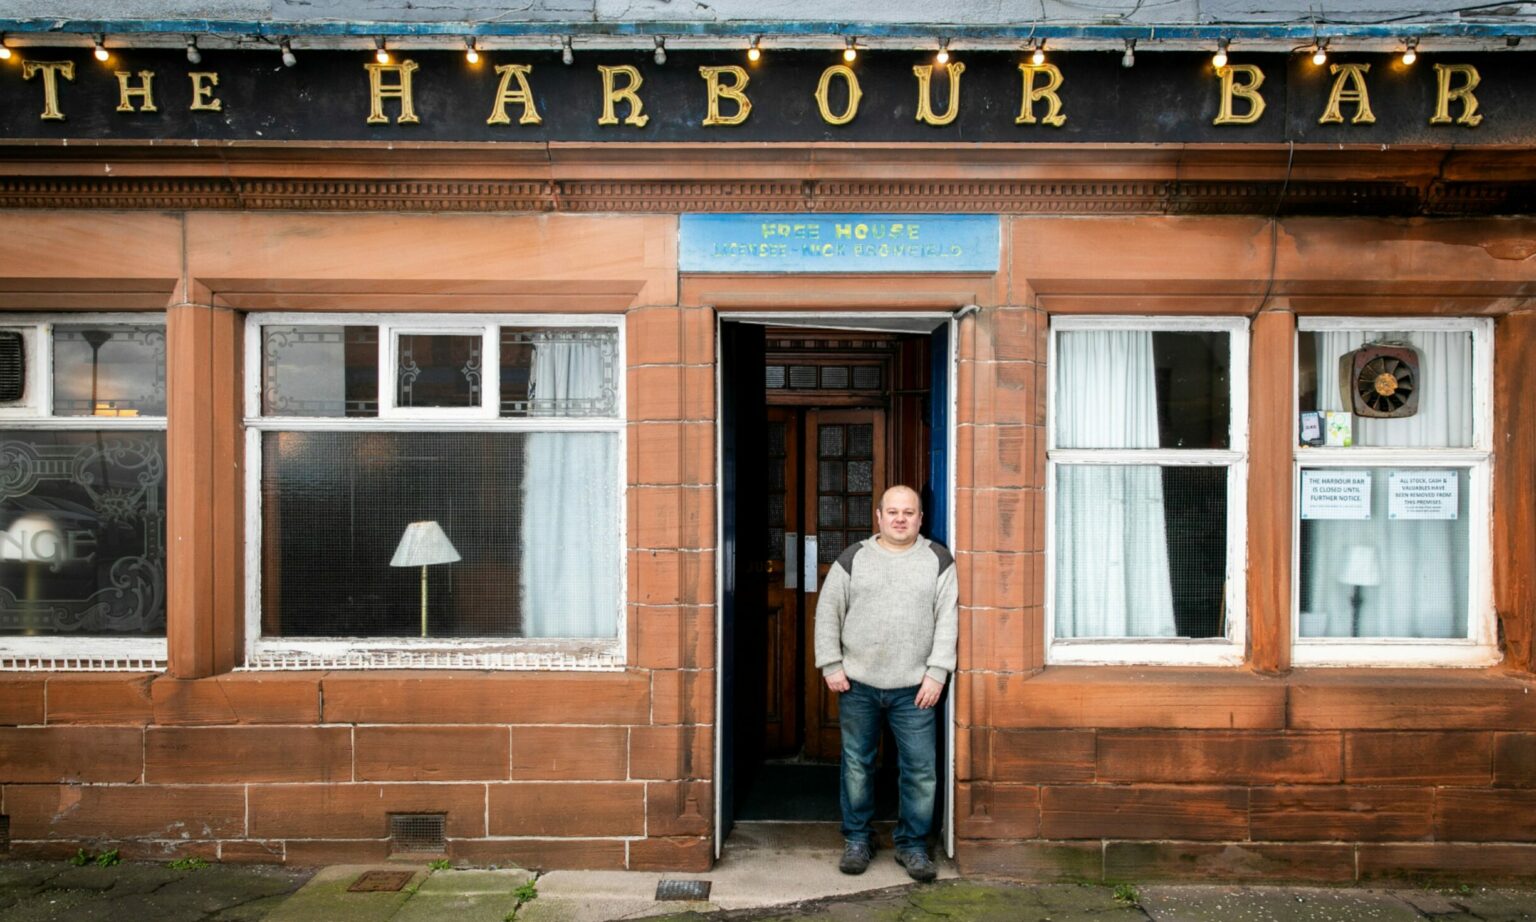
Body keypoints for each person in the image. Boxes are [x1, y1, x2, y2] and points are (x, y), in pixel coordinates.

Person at [814, 484, 958, 882]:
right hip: (857, 683)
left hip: (916, 688)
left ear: (920, 518)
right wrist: (830, 664)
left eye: (908, 512)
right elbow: (828, 612)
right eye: (892, 511)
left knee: (920, 770)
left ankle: (912, 846)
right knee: (857, 765)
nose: (900, 518)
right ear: (878, 517)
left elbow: (948, 619)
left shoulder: (938, 560)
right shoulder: (854, 558)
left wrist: (937, 672)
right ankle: (858, 839)